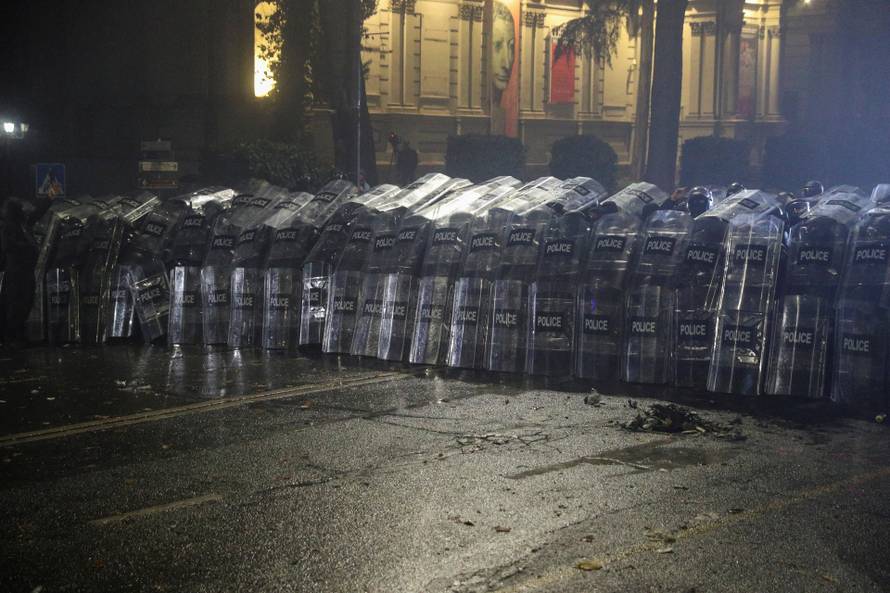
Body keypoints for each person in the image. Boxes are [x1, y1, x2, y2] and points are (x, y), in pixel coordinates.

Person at [0, 199, 39, 344]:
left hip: (25, 270)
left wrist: (50, 195)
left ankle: (18, 334)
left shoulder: (23, 226)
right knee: (16, 303)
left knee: (26, 301)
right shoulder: (9, 227)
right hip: (16, 271)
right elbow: (7, 245)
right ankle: (12, 336)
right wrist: (26, 247)